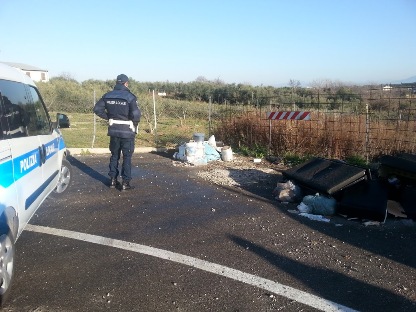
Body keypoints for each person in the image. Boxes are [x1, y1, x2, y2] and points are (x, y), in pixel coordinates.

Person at [93, 74, 141, 191]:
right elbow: (135, 115)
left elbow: (97, 109)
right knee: (127, 157)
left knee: (114, 155)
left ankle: (112, 181)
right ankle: (125, 182)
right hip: (127, 132)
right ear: (126, 83)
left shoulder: (107, 96)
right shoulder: (130, 97)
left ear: (117, 83)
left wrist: (109, 117)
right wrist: (133, 123)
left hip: (113, 131)